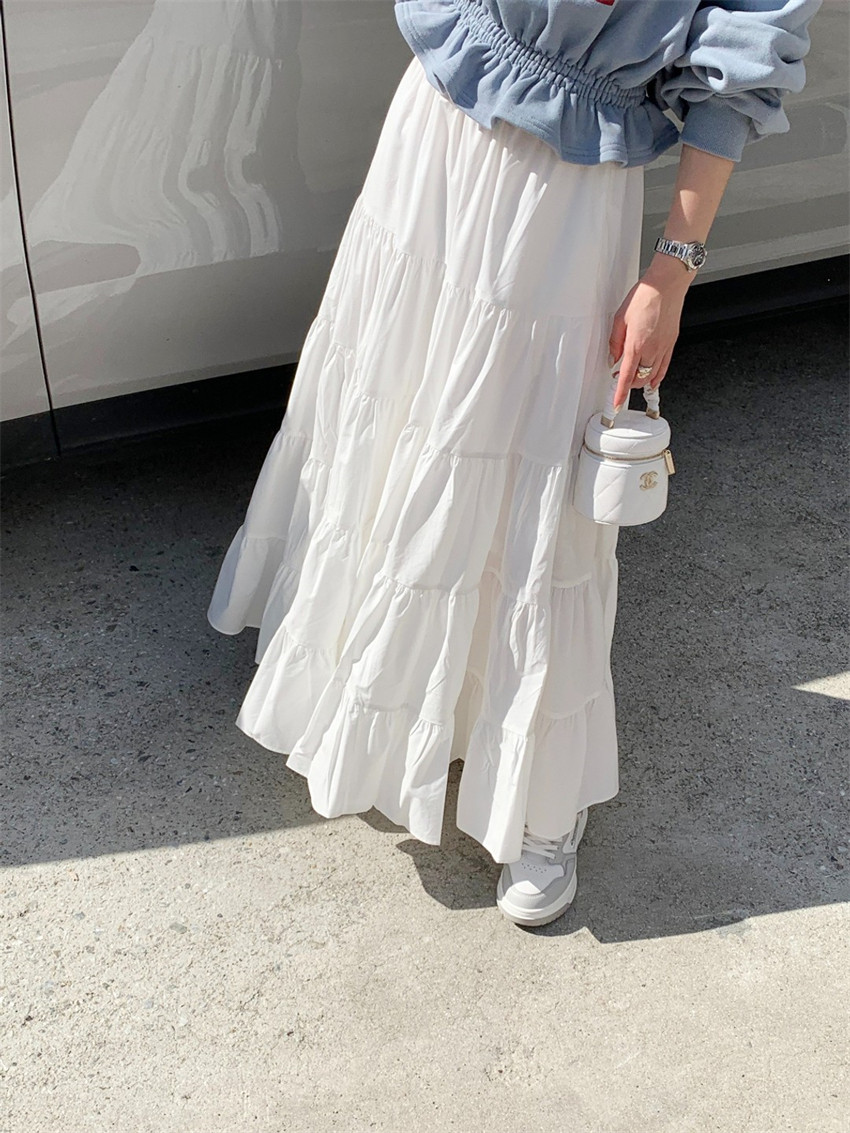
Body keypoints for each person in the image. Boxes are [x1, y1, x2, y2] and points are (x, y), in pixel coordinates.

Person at [207, 0, 822, 928]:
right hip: (442, 123)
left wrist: (672, 267)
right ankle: (358, 676)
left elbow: (747, 48)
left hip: (573, 184)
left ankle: (541, 788)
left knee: (537, 476)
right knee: (399, 404)